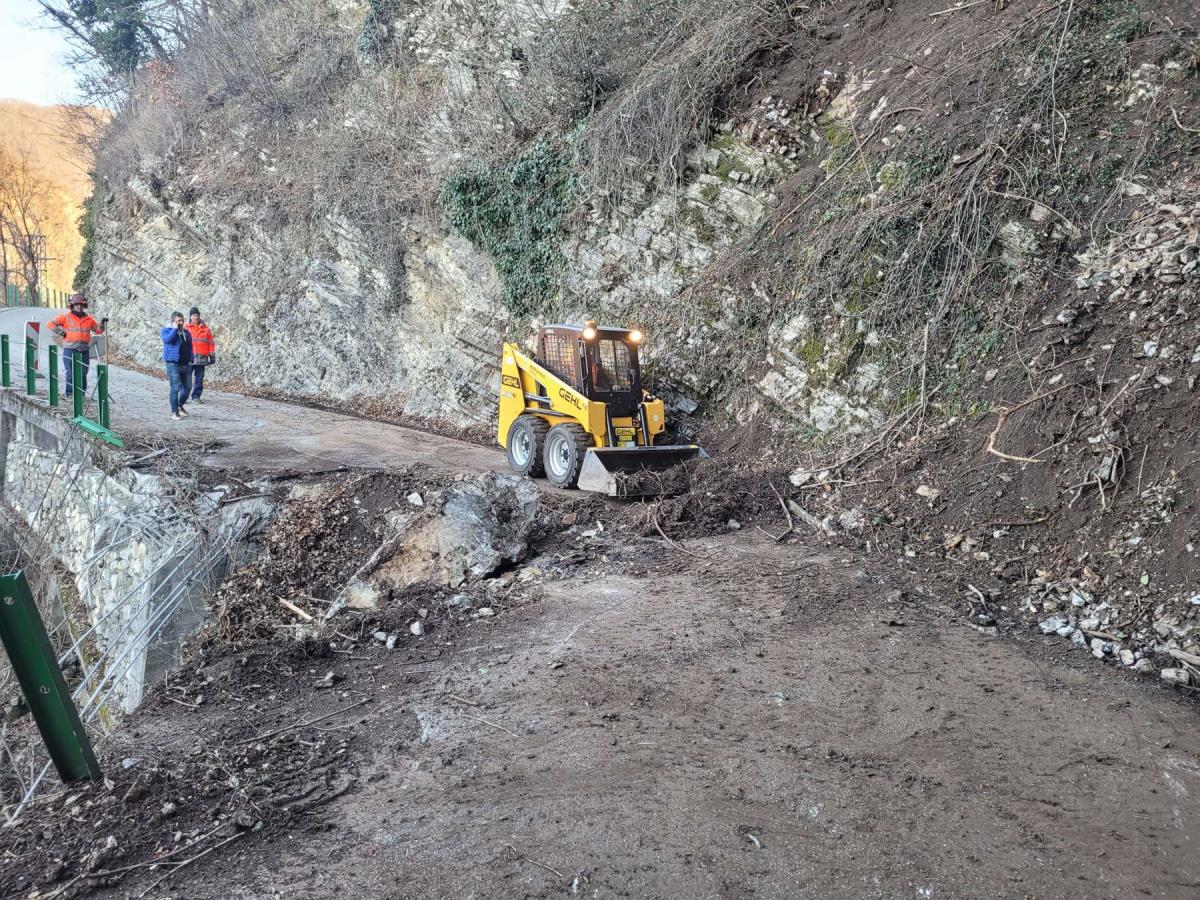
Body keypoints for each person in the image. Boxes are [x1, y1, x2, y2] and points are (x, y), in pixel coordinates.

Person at [47, 293, 106, 397]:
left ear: (84, 306)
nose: (79, 307)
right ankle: (69, 394)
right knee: (70, 372)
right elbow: (50, 324)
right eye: (76, 305)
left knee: (83, 373)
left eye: (81, 305)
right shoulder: (65, 317)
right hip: (70, 349)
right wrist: (60, 332)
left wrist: (102, 324)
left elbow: (98, 331)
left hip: (84, 350)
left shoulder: (89, 319)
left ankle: (81, 395)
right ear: (72, 306)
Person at [161, 311, 194, 421]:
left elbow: (190, 347)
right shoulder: (166, 331)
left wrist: (191, 360)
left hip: (186, 364)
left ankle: (180, 405)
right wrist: (175, 329)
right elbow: (167, 340)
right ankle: (174, 411)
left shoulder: (186, 332)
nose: (181, 323)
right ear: (173, 321)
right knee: (175, 388)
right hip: (173, 364)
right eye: (178, 321)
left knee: (188, 387)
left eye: (182, 321)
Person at [184, 306, 216, 404]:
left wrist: (212, 356)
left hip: (202, 359)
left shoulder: (206, 329)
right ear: (190, 317)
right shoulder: (185, 328)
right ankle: (183, 396)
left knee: (199, 379)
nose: (196, 317)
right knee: (186, 378)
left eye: (197, 315)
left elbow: (211, 343)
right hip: (189, 358)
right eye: (194, 315)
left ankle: (196, 396)